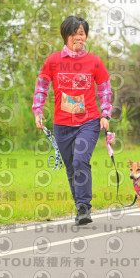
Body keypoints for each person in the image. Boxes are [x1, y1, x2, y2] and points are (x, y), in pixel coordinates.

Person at [32, 15, 112, 225]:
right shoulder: (53, 61)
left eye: (82, 33)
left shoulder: (94, 62)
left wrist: (105, 114)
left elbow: (105, 90)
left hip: (89, 121)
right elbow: (41, 87)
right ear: (65, 35)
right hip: (62, 123)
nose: (79, 37)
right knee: (70, 166)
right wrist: (38, 110)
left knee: (80, 161)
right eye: (75, 34)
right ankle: (80, 208)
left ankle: (84, 206)